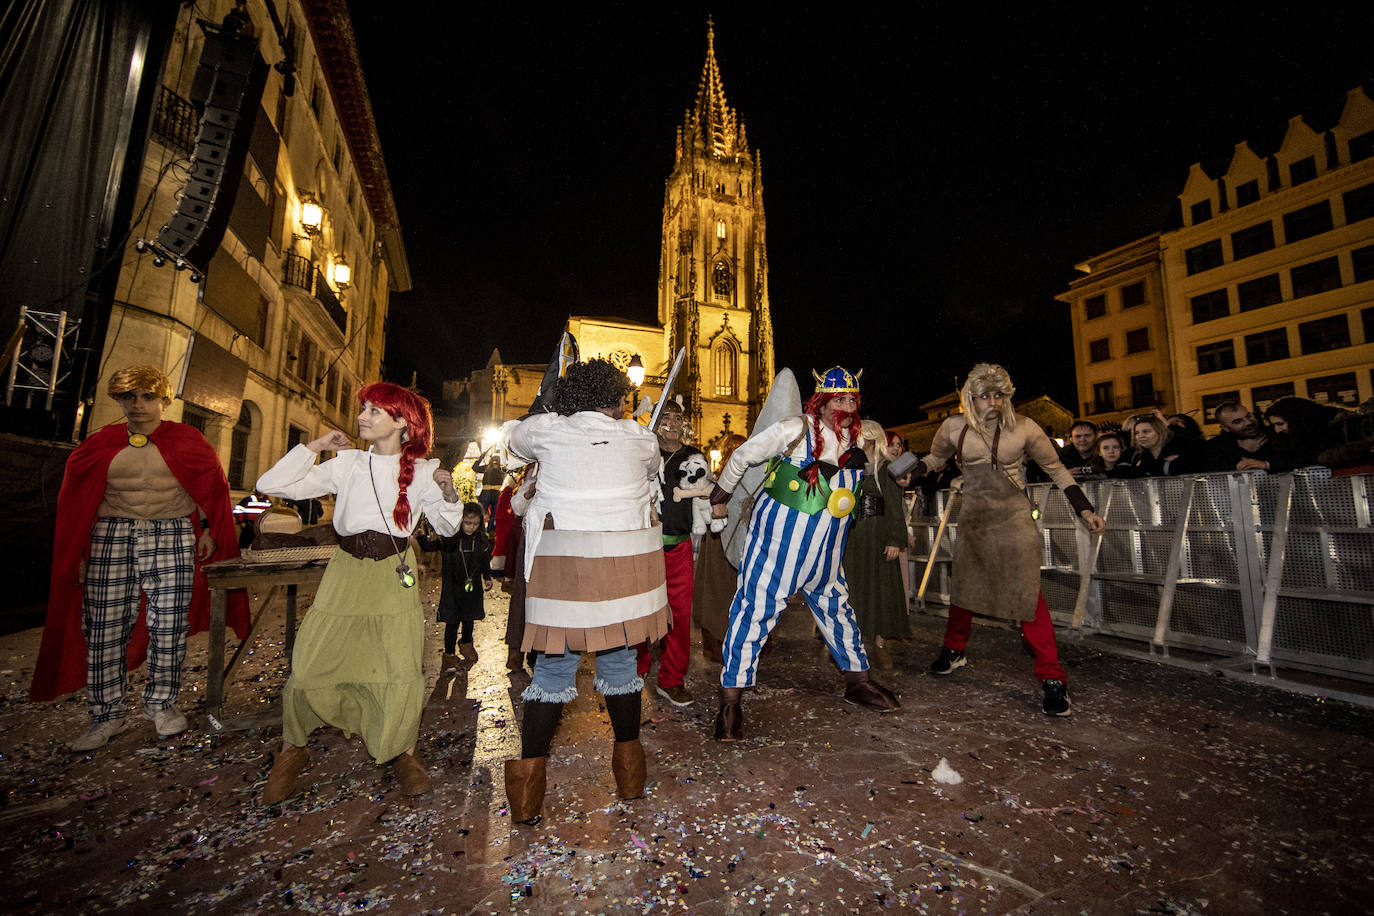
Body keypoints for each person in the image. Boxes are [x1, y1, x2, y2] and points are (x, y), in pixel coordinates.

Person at [256, 382, 465, 804]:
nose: (362, 417)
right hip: (345, 571)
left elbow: (447, 528)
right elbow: (272, 484)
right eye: (364, 408)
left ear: (403, 422)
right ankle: (292, 750)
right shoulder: (347, 462)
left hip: (394, 574)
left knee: (398, 668)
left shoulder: (425, 471)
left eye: (374, 411)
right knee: (310, 667)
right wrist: (315, 444)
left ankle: (404, 753)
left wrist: (448, 493)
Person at [31, 366, 247, 750]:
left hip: (172, 532)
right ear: (119, 401)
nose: (138, 405)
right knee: (105, 629)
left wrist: (209, 529)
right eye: (129, 398)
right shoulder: (100, 443)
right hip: (112, 533)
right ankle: (106, 716)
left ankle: (162, 705)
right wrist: (80, 552)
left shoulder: (188, 439)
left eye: (147, 397)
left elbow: (211, 487)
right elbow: (78, 501)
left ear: (164, 400)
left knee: (169, 626)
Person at [501, 358, 667, 826]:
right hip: (625, 567)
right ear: (618, 400)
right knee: (617, 661)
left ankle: (528, 798)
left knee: (553, 670)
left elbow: (509, 441)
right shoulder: (639, 436)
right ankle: (630, 779)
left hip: (564, 566)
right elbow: (652, 468)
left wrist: (543, 409)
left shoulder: (547, 431)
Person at [707, 366, 899, 741]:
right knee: (753, 612)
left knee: (838, 610)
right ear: (822, 402)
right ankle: (730, 700)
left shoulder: (855, 442)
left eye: (851, 400)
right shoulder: (794, 430)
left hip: (825, 553)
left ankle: (858, 679)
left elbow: (862, 494)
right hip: (777, 548)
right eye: (838, 399)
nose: (846, 406)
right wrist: (720, 498)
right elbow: (743, 456)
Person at [922, 363, 1104, 717]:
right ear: (970, 398)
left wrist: (1084, 509)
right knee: (964, 587)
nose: (993, 402)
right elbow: (935, 458)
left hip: (1014, 516)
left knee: (1027, 592)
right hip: (974, 514)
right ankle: (954, 650)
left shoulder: (1024, 427)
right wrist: (909, 471)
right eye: (985, 395)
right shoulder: (953, 427)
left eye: (999, 395)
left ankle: (1052, 678)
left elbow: (1056, 469)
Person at [636, 399, 702, 706]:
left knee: (680, 615)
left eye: (678, 417)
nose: (673, 423)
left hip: (680, 546)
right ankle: (636, 670)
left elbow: (703, 496)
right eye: (667, 417)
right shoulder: (644, 454)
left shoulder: (693, 457)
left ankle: (672, 679)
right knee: (640, 612)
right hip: (646, 547)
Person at [843, 419, 910, 670]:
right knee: (853, 585)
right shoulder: (850, 465)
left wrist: (895, 539)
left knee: (882, 586)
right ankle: (852, 640)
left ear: (870, 439)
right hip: (855, 534)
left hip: (880, 533)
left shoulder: (888, 468)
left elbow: (894, 506)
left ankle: (880, 642)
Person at [692, 433, 746, 664]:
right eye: (733, 450)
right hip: (719, 540)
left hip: (742, 539)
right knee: (717, 591)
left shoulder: (753, 476)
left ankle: (741, 643)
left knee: (739, 591)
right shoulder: (718, 479)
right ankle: (718, 643)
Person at [417, 501, 492, 668]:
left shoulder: (481, 541)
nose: (471, 527)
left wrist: (487, 577)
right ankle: (449, 655)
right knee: (452, 622)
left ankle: (466, 645)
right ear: (460, 521)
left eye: (475, 524)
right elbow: (430, 547)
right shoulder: (450, 540)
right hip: (453, 587)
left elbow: (484, 561)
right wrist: (421, 537)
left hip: (472, 589)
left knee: (469, 620)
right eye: (467, 523)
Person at [1264, 397, 1351, 470]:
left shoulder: (1336, 425)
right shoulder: (1292, 435)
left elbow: (1310, 457)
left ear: (1295, 420)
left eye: (1280, 424)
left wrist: (1269, 465)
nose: (1277, 430)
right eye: (1274, 425)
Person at [1206, 403, 1273, 471]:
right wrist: (1244, 450)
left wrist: (1266, 465)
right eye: (1237, 421)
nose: (1248, 422)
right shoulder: (1214, 446)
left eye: (1249, 416)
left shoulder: (1273, 433)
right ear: (1225, 428)